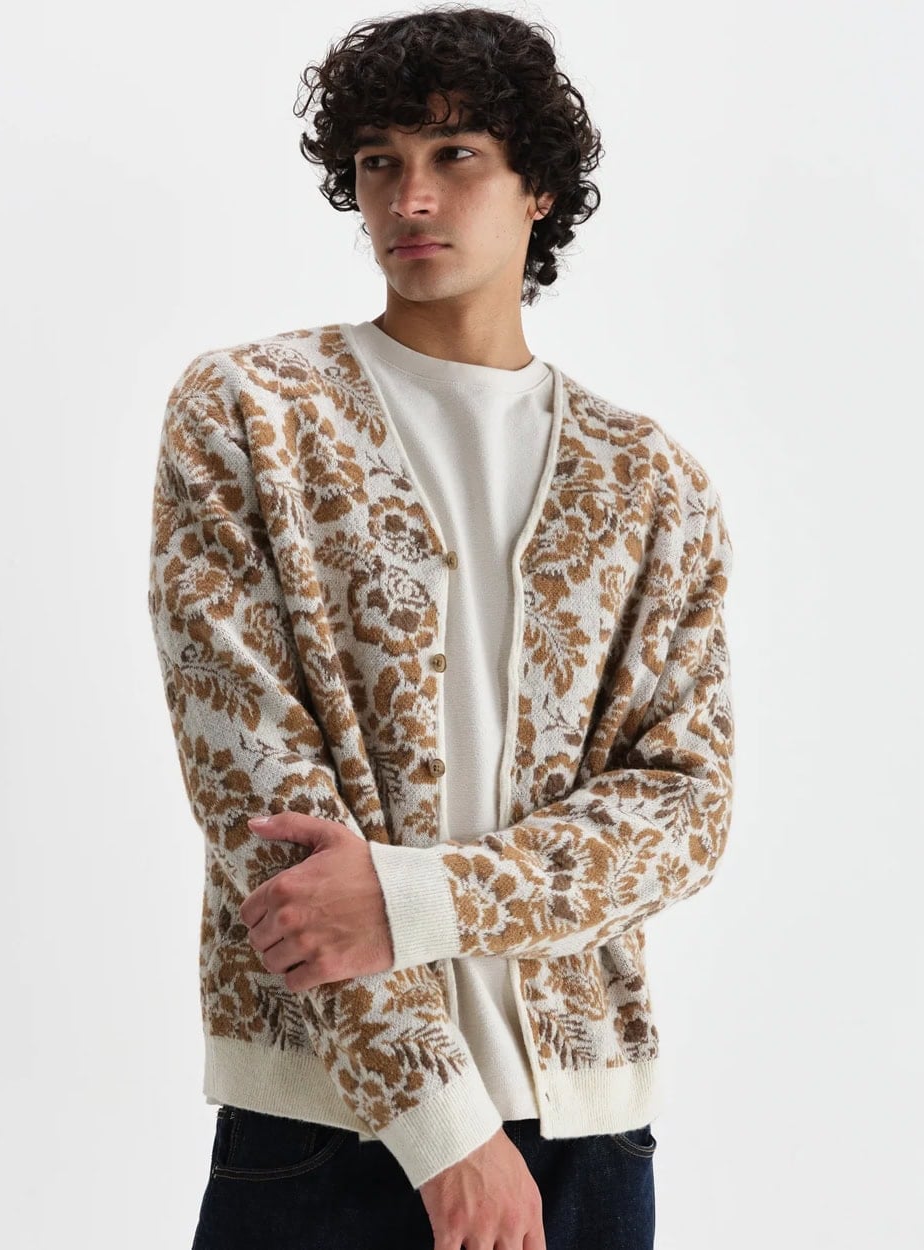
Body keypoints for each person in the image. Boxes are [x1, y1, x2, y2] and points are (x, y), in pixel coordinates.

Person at [147, 6, 735, 1249]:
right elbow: (255, 790)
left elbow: (685, 813)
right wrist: (442, 1127)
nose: (409, 197)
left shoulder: (650, 482)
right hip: (323, 1123)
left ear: (539, 190)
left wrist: (413, 897)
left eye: (455, 154)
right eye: (379, 162)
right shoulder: (252, 412)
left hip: (586, 1126)